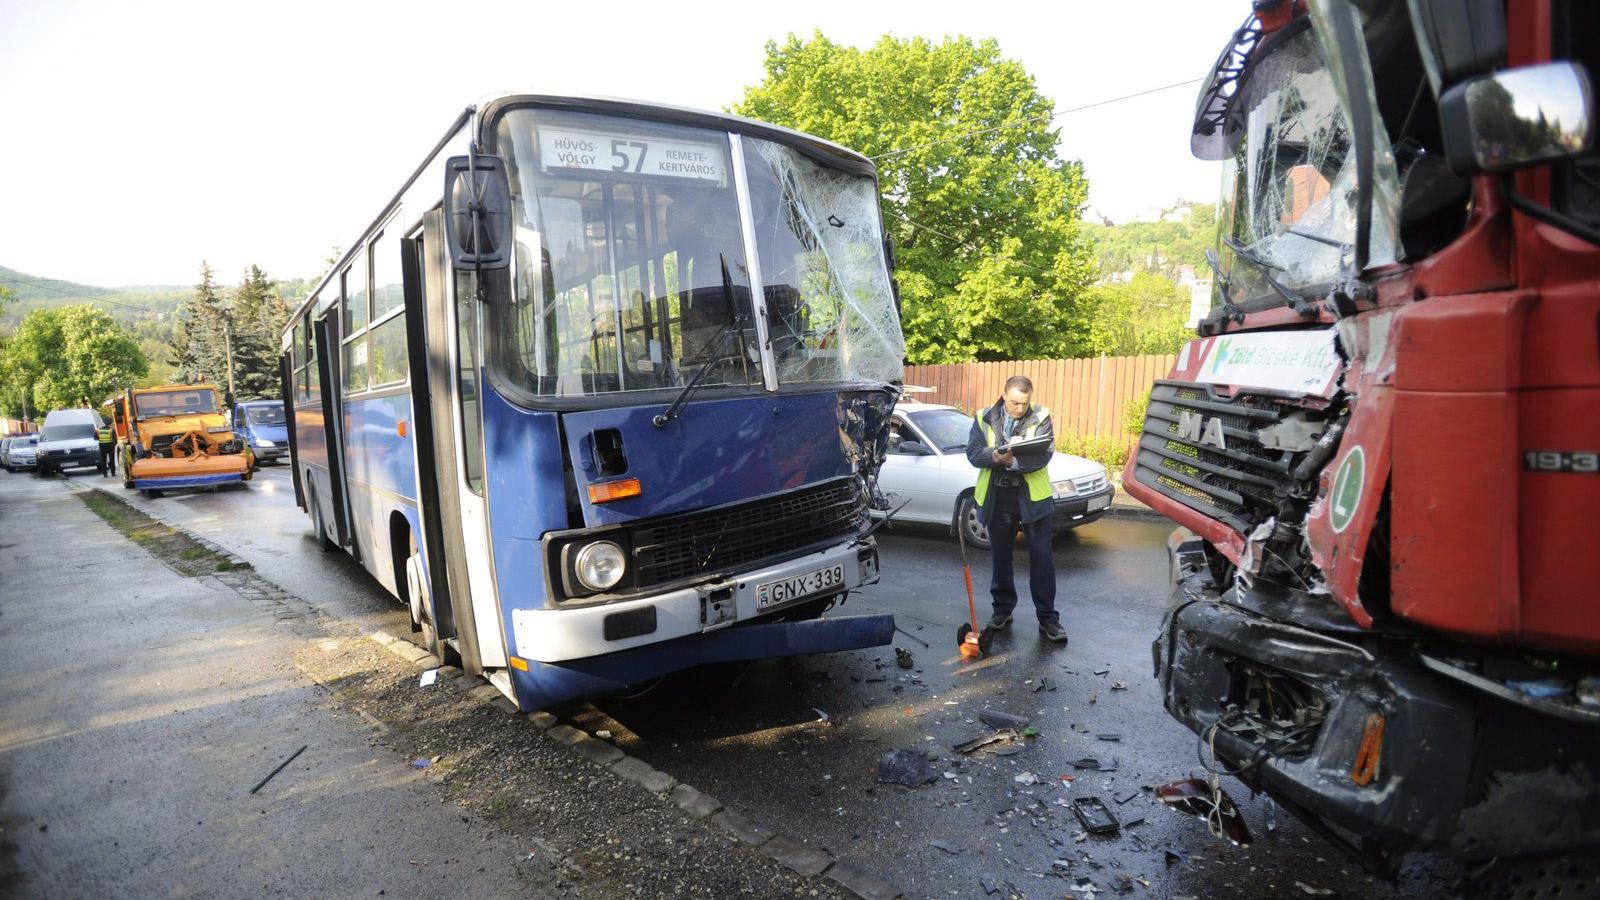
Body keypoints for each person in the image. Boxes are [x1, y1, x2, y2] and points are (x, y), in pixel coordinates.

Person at [965, 375, 1067, 643]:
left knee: (1042, 560)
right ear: (1004, 394)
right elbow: (973, 453)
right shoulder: (984, 417)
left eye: (1024, 403)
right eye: (1014, 402)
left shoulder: (1041, 416)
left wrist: (1012, 462)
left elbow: (1043, 455)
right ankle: (1002, 611)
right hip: (999, 498)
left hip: (1032, 498)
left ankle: (1048, 619)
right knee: (1001, 558)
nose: (1019, 408)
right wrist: (994, 457)